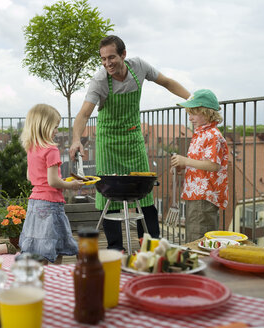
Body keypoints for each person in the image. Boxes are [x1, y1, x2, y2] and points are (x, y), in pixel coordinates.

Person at [69, 35, 191, 251]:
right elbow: (84, 113)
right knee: (108, 192)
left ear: (123, 54)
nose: (107, 63)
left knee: (144, 192)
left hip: (133, 139)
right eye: (103, 59)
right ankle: (117, 248)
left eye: (112, 57)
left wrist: (192, 101)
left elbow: (168, 82)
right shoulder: (99, 80)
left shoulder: (139, 67)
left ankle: (151, 246)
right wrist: (76, 140)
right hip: (108, 142)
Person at [19, 104, 83, 264]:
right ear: (44, 126)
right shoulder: (51, 150)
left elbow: (29, 176)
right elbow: (53, 181)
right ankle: (55, 279)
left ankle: (39, 278)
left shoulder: (31, 148)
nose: (57, 131)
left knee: (39, 246)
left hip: (35, 203)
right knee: (56, 245)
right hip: (51, 204)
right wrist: (71, 185)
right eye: (55, 127)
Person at [171, 89, 229, 242]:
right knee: (193, 234)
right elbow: (200, 162)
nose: (190, 118)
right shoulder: (201, 133)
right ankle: (197, 263)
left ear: (207, 113)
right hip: (196, 193)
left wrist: (186, 161)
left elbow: (213, 165)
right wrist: (182, 166)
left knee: (199, 237)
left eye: (193, 113)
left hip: (204, 195)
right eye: (189, 114)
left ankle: (202, 264)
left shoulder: (213, 135)